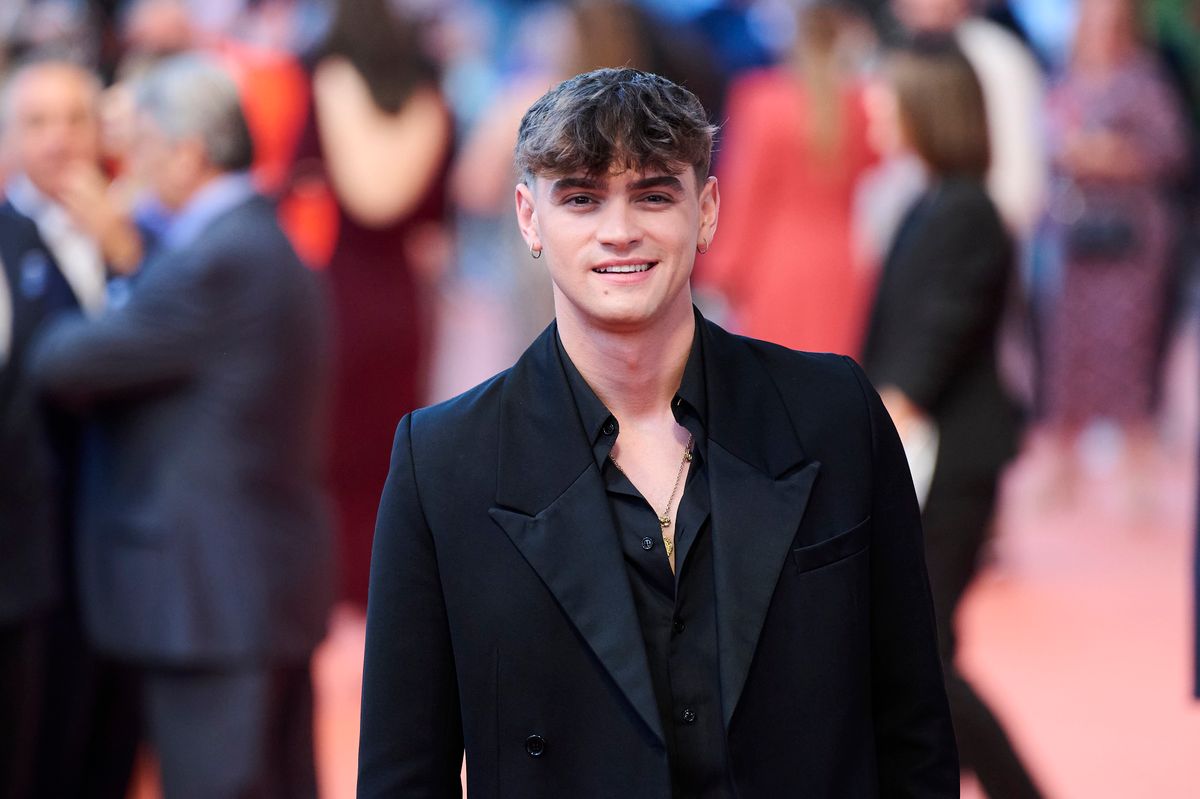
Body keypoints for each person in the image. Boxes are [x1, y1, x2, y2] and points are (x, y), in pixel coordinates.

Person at [358, 66, 957, 798]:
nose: (619, 232)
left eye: (652, 195)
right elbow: (403, 774)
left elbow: (914, 728)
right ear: (529, 217)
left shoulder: (834, 415)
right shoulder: (444, 463)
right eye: (581, 198)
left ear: (705, 210)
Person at [28, 55, 333, 798]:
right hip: (254, 588)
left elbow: (62, 361)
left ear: (187, 152)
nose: (127, 170)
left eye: (140, 147)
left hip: (213, 601)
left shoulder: (217, 259)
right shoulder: (254, 241)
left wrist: (120, 258)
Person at [861, 37, 1043, 798]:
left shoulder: (966, 212)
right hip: (928, 450)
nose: (874, 108)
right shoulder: (926, 203)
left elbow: (928, 351)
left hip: (953, 458)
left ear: (926, 107)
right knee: (918, 651)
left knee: (923, 653)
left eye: (887, 95)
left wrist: (858, 434)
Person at [0, 57, 143, 799]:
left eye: (74, 119)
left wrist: (126, 255)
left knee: (111, 743)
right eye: (37, 122)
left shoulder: (138, 233)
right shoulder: (3, 239)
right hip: (29, 553)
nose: (58, 139)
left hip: (120, 534)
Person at [287, 0, 452, 609]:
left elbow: (299, 183)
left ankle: (325, 595)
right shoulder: (431, 100)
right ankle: (382, 597)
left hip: (332, 291)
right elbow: (436, 225)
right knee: (393, 455)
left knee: (325, 453)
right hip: (402, 301)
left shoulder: (321, 83)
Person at [699, 0, 878, 355]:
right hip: (846, 264)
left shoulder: (762, 101)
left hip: (775, 267)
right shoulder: (862, 103)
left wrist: (719, 273)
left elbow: (745, 196)